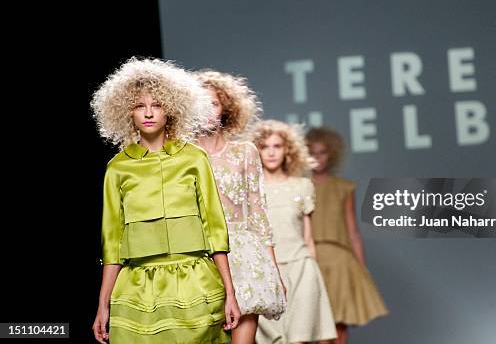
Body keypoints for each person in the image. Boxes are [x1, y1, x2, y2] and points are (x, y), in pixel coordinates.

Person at [91, 58, 240, 343]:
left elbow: (215, 229)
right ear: (127, 112)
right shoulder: (118, 168)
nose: (148, 113)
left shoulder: (194, 159)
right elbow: (112, 242)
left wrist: (230, 294)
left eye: (157, 104)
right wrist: (103, 303)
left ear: (170, 109)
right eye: (139, 106)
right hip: (138, 287)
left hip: (196, 282)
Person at [194, 70, 286, 344]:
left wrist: (273, 268)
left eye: (213, 103)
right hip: (199, 252)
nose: (207, 110)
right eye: (200, 103)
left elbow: (258, 212)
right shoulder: (182, 154)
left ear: (226, 108)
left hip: (244, 253)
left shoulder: (245, 152)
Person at [251, 120, 336, 344]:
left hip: (301, 267)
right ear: (256, 150)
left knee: (300, 338)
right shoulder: (252, 190)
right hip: (267, 272)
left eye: (277, 146)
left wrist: (314, 272)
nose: (271, 152)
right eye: (265, 146)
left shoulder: (302, 186)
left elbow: (307, 235)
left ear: (287, 149)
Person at [306, 127, 388, 344]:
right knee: (314, 324)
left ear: (331, 154)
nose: (317, 158)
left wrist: (360, 268)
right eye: (312, 152)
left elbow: (352, 231)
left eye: (322, 152)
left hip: (341, 260)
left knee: (339, 325)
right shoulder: (299, 187)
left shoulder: (344, 188)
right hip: (310, 259)